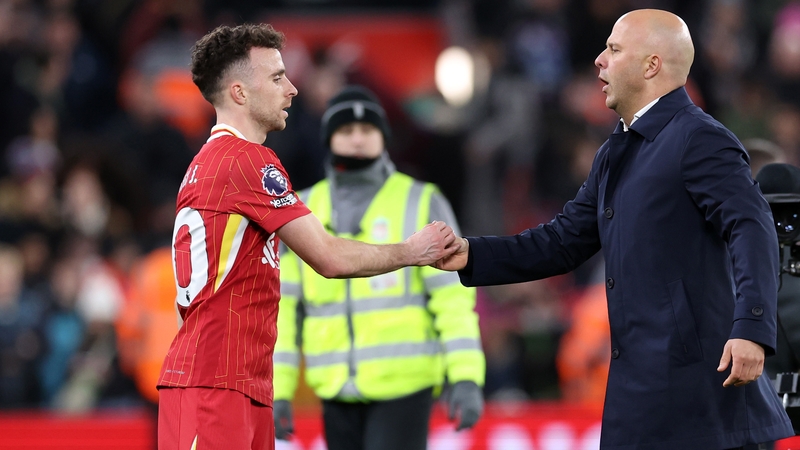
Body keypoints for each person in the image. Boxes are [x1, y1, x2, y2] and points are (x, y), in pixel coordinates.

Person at [434, 9, 794, 450]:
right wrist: (470, 254)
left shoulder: (699, 138)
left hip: (701, 401)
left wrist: (752, 327)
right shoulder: (614, 153)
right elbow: (562, 242)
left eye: (614, 49)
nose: (599, 61)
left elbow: (751, 225)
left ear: (651, 65)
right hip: (639, 401)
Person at [156, 24, 458, 450]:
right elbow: (328, 257)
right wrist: (412, 251)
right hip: (217, 386)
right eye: (278, 77)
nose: (293, 89)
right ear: (240, 93)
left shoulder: (207, 163)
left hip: (230, 382)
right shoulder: (248, 162)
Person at [271, 85, 486, 450]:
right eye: (346, 131)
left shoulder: (421, 200)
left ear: (383, 138)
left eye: (367, 130)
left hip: (405, 385)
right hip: (334, 386)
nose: (357, 139)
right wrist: (279, 390)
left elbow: (453, 300)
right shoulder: (301, 209)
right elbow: (283, 308)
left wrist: (465, 377)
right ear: (329, 138)